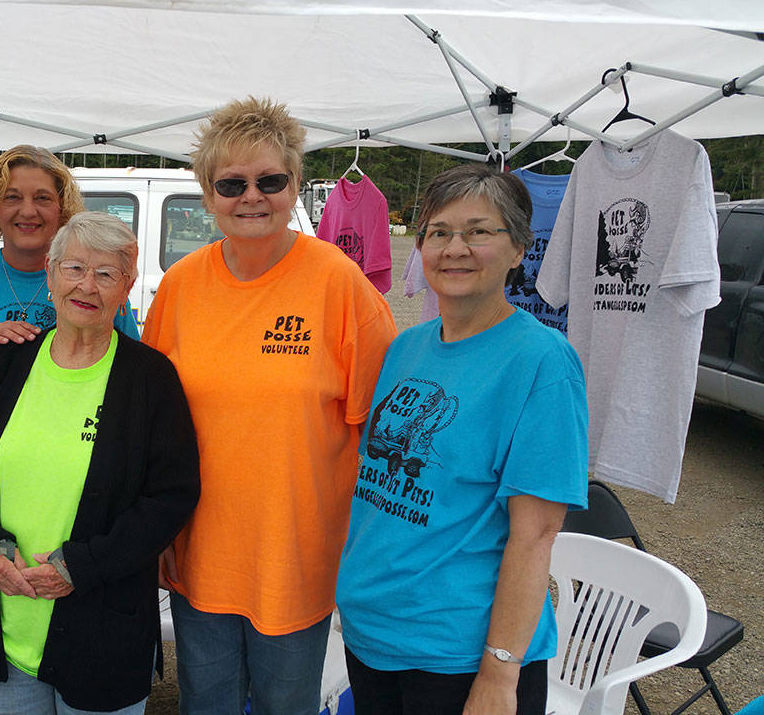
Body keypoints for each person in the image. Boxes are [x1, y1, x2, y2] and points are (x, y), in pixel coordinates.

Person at [141, 97, 398, 715]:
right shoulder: (180, 286)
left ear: (296, 187)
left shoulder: (340, 285)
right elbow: (148, 422)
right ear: (207, 194)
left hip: (297, 558)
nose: (251, 196)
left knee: (287, 704)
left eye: (269, 181)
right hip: (201, 554)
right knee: (207, 704)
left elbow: (385, 438)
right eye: (231, 183)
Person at [335, 163, 589, 715]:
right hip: (372, 635)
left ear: (520, 248)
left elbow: (536, 534)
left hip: (457, 657)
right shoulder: (408, 348)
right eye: (440, 232)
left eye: (479, 231)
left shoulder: (542, 363)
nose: (456, 248)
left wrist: (500, 674)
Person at [0, 210, 200, 715]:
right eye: (75, 268)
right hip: (7, 621)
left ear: (126, 286)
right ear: (52, 275)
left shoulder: (150, 378)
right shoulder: (5, 359)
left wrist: (81, 566)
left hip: (103, 630)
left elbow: (171, 495)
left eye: (106, 274)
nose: (87, 285)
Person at [0, 145, 139, 714]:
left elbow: (130, 396)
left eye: (42, 196)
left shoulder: (94, 282)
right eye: (12, 196)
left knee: (67, 650)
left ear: (63, 207)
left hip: (74, 523)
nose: (27, 209)